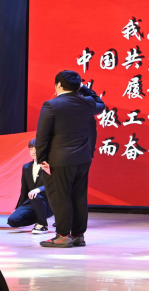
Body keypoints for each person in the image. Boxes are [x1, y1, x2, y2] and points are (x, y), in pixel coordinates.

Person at [35, 70, 104, 248]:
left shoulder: (51, 105)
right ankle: (78, 235)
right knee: (79, 196)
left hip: (59, 160)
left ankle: (63, 235)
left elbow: (42, 136)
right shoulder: (88, 102)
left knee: (60, 197)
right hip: (83, 158)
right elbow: (101, 103)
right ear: (78, 85)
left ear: (58, 85)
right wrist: (85, 89)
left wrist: (41, 159)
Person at [8, 140, 52, 233]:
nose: (33, 151)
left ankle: (42, 224)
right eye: (31, 149)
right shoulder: (26, 167)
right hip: (32, 201)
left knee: (36, 195)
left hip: (49, 202)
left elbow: (55, 183)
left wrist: (39, 189)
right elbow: (24, 190)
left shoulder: (50, 165)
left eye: (36, 149)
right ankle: (38, 219)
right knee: (12, 220)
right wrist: (18, 207)